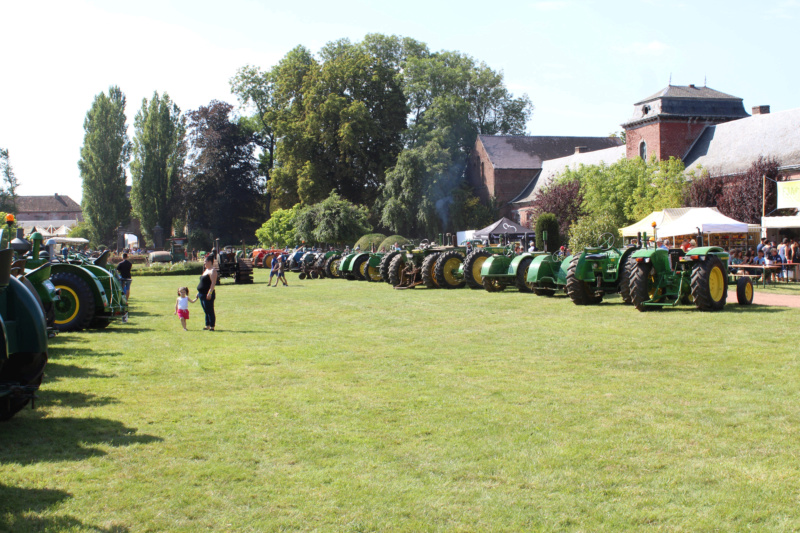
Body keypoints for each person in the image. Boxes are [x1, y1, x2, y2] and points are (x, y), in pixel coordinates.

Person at [197, 255, 218, 331]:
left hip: (207, 294)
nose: (204, 263)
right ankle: (207, 325)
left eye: (205, 261)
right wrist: (198, 292)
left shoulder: (213, 271)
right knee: (205, 310)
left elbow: (213, 283)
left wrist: (210, 292)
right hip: (201, 293)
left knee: (210, 310)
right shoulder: (206, 270)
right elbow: (202, 282)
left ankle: (212, 326)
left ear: (209, 261)